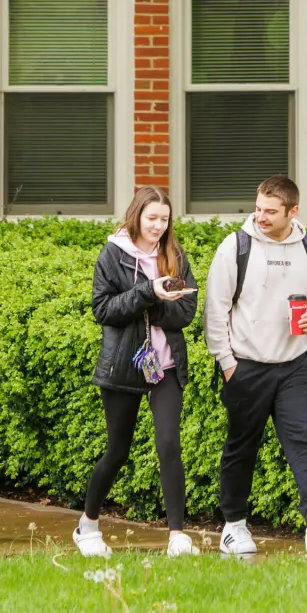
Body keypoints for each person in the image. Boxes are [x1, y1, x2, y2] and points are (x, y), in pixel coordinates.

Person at [203, 174, 307, 557]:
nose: (261, 216)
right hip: (246, 366)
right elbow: (215, 310)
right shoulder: (235, 247)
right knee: (241, 446)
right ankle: (234, 526)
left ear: (292, 211)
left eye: (270, 211)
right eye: (258, 208)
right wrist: (227, 362)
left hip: (295, 365)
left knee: (304, 437)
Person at [75, 186, 200, 558]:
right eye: (152, 219)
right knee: (117, 451)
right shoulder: (113, 254)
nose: (158, 226)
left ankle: (177, 535)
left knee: (169, 444)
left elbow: (188, 311)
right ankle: (88, 526)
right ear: (136, 215)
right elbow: (103, 310)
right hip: (123, 367)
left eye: (164, 219)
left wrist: (162, 304)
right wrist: (149, 291)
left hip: (165, 364)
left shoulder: (174, 254)